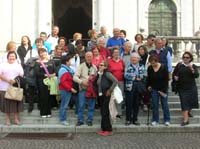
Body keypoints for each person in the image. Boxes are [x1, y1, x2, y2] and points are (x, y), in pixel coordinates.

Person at [173, 52, 199, 126]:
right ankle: (185, 120)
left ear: (190, 58)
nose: (185, 59)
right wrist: (175, 77)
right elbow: (175, 73)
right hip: (182, 88)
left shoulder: (193, 66)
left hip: (191, 87)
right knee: (184, 103)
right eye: (184, 57)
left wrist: (192, 69)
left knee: (191, 102)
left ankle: (188, 112)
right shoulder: (179, 65)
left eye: (187, 57)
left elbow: (196, 75)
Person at [73, 51, 97, 126]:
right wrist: (81, 82)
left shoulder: (95, 67)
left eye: (90, 56)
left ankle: (89, 120)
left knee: (91, 106)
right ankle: (80, 120)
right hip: (83, 89)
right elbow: (74, 77)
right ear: (85, 57)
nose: (89, 58)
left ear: (92, 57)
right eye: (87, 56)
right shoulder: (81, 66)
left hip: (91, 90)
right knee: (81, 105)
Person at [0, 51, 24, 125]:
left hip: (15, 87)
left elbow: (21, 75)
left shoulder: (18, 65)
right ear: (7, 57)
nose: (12, 57)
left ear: (16, 57)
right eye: (10, 56)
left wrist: (14, 80)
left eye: (13, 56)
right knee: (6, 104)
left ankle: (16, 119)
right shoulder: (2, 65)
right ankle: (7, 120)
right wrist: (7, 80)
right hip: (4, 87)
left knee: (16, 104)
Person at [147, 55, 170, 126]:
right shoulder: (150, 68)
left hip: (163, 89)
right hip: (154, 89)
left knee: (164, 105)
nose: (153, 65)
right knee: (155, 105)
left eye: (154, 63)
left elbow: (166, 80)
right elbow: (149, 78)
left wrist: (163, 90)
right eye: (151, 63)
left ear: (157, 61)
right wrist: (148, 85)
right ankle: (155, 120)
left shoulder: (163, 67)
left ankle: (167, 120)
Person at [124, 52, 146, 126]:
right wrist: (136, 77)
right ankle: (128, 119)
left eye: (135, 58)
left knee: (137, 104)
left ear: (138, 59)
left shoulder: (142, 66)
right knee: (129, 103)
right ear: (131, 59)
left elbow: (144, 74)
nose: (134, 59)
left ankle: (135, 119)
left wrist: (137, 76)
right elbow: (126, 75)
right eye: (132, 58)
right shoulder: (128, 66)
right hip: (130, 87)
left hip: (139, 87)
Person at [96, 61, 118, 136]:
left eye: (101, 65)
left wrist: (110, 90)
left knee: (105, 112)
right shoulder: (99, 74)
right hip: (101, 95)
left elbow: (115, 81)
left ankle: (109, 130)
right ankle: (103, 128)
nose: (100, 66)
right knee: (103, 112)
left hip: (106, 95)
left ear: (105, 66)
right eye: (99, 65)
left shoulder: (107, 73)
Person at [35, 48, 56, 118]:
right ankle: (43, 112)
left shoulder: (51, 61)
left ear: (46, 53)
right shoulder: (38, 62)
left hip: (51, 82)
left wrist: (53, 74)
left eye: (44, 52)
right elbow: (37, 73)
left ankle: (48, 111)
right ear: (39, 54)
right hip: (42, 82)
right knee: (43, 97)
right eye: (41, 53)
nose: (42, 54)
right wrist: (45, 75)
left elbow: (55, 71)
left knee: (50, 97)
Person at [58, 55, 77, 126]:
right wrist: (71, 89)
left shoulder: (67, 69)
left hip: (67, 89)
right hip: (65, 90)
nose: (70, 62)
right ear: (66, 62)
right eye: (69, 60)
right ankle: (63, 119)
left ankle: (63, 118)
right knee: (64, 105)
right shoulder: (63, 70)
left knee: (64, 104)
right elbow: (63, 82)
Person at [108, 48, 125, 117]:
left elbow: (123, 69)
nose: (116, 54)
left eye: (117, 52)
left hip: (120, 82)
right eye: (115, 52)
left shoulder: (121, 61)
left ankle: (119, 112)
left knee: (120, 97)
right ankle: (112, 112)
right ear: (112, 53)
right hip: (112, 82)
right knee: (112, 97)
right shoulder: (109, 61)